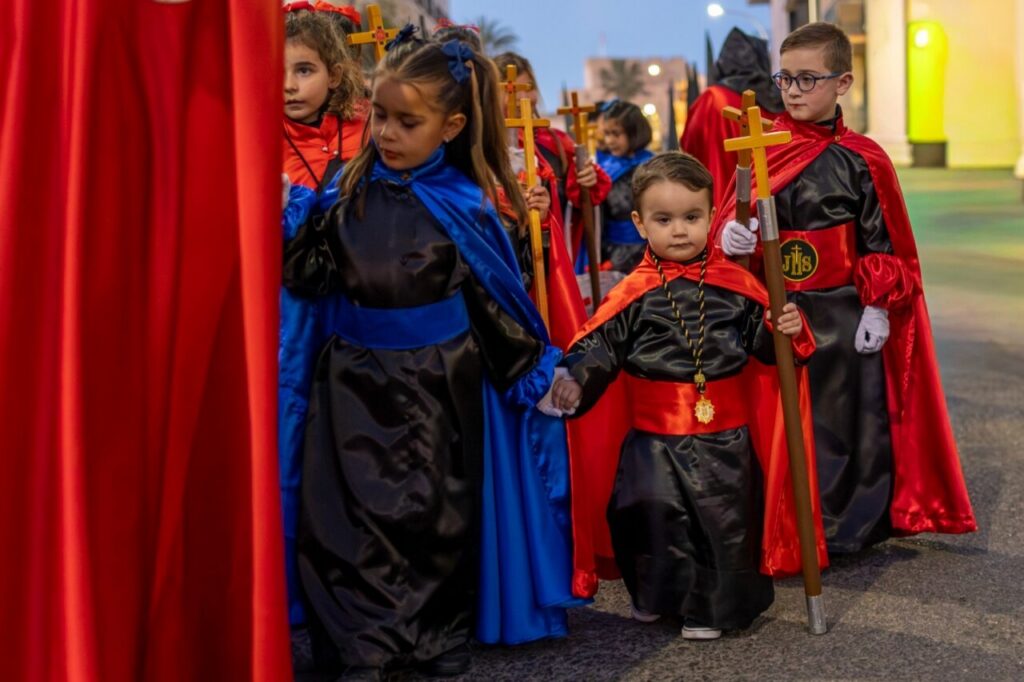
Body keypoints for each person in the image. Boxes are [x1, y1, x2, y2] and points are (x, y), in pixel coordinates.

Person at [283, 30, 579, 679]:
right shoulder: (343, 195)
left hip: (433, 389)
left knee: (427, 523)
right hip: (348, 387)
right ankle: (359, 650)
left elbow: (494, 301)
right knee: (339, 522)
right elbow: (307, 277)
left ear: (451, 126)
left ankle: (426, 648)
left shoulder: (467, 209)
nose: (386, 132)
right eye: (381, 115)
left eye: (406, 122)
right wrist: (292, 216)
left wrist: (537, 375)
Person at [713, 22, 976, 553]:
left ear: (843, 83)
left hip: (840, 311)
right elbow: (728, 219)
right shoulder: (762, 147)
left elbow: (884, 243)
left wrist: (878, 308)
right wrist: (729, 234)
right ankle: (783, 520)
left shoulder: (863, 158)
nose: (792, 90)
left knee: (846, 420)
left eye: (808, 79)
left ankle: (844, 527)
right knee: (782, 420)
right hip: (775, 309)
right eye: (784, 78)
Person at [550, 151, 824, 639]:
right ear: (639, 223)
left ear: (710, 217)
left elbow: (770, 352)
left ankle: (711, 610)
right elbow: (601, 346)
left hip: (725, 441)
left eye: (692, 217)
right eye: (664, 219)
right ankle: (654, 597)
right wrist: (575, 378)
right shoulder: (631, 295)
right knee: (650, 520)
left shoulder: (737, 285)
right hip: (652, 441)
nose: (679, 230)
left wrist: (787, 329)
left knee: (723, 526)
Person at [279, 6, 368, 653]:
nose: (287, 84)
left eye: (304, 69)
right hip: (285, 324)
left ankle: (358, 602)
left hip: (354, 314)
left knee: (356, 454)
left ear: (334, 72)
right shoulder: (252, 135)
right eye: (275, 70)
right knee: (284, 457)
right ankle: (286, 606)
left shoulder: (365, 135)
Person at [493, 52, 611, 269]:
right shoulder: (487, 143)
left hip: (555, 254)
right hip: (509, 256)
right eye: (511, 89)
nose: (522, 98)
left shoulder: (556, 141)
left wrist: (587, 178)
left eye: (528, 87)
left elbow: (583, 198)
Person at [680, 27, 784, 209]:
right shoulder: (776, 102)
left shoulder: (712, 98)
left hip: (719, 198)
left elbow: (689, 145)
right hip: (768, 200)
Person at [594, 100, 654, 273]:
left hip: (648, 249)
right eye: (606, 134)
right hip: (614, 252)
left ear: (634, 132)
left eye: (616, 134)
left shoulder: (652, 166)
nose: (610, 140)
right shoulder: (605, 167)